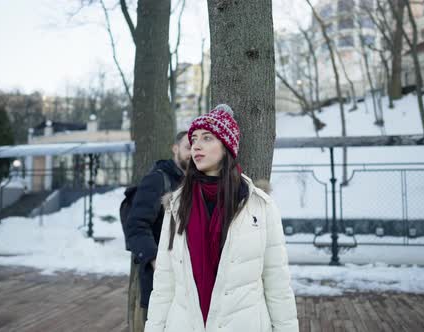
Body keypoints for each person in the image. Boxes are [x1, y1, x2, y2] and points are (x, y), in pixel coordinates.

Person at [145, 105, 298, 332]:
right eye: (194, 138)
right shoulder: (176, 206)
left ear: (227, 147)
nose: (196, 145)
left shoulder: (259, 205)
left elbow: (277, 282)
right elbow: (164, 284)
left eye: (207, 138)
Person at [125, 130, 191, 331]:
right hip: (160, 284)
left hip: (187, 284)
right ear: (175, 149)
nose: (192, 153)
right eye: (188, 147)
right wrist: (157, 261)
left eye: (196, 148)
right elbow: (136, 226)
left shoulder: (195, 183)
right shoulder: (157, 180)